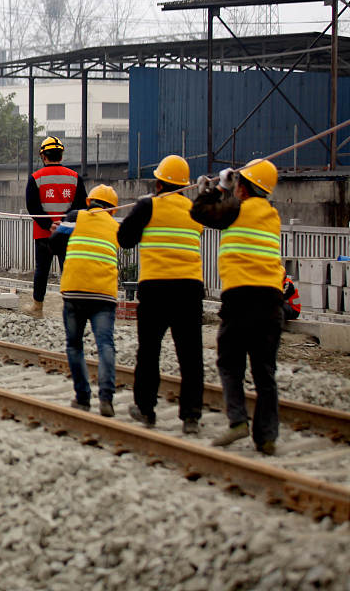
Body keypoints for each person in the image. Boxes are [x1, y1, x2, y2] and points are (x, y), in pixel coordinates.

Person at [191, 159, 285, 455]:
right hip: (272, 303)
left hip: (240, 299)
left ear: (243, 188)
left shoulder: (236, 209)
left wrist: (217, 188)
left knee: (230, 364)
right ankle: (267, 438)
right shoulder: (272, 216)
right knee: (265, 372)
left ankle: (237, 421)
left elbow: (199, 213)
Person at [117, 155, 204, 434]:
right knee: (191, 355)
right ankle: (191, 416)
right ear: (185, 185)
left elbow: (124, 239)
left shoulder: (148, 206)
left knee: (149, 351)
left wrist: (140, 213)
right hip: (190, 289)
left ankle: (146, 409)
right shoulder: (194, 210)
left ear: (158, 184)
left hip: (156, 289)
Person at [51, 184, 120, 417]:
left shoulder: (75, 217)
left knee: (74, 345)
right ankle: (106, 398)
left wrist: (58, 230)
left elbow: (54, 244)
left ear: (89, 202)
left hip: (75, 292)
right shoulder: (115, 226)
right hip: (104, 295)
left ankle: (82, 398)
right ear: (113, 209)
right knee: (105, 345)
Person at [23, 136, 87, 317]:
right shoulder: (75, 178)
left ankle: (37, 307)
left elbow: (32, 207)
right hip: (69, 234)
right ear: (61, 155)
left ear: (43, 156)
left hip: (43, 234)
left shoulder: (35, 178)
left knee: (42, 270)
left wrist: (49, 225)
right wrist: (64, 223)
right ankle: (71, 307)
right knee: (69, 270)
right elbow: (81, 206)